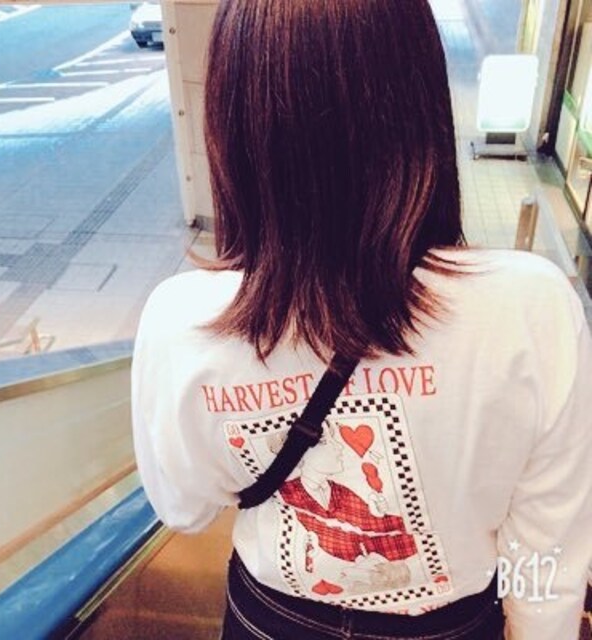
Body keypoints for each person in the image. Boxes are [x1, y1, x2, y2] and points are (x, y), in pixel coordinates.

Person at [131, 0, 592, 638]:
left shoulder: (185, 321)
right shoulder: (530, 307)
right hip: (453, 624)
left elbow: (183, 510)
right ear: (422, 103)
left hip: (271, 620)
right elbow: (548, 543)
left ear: (234, 123)